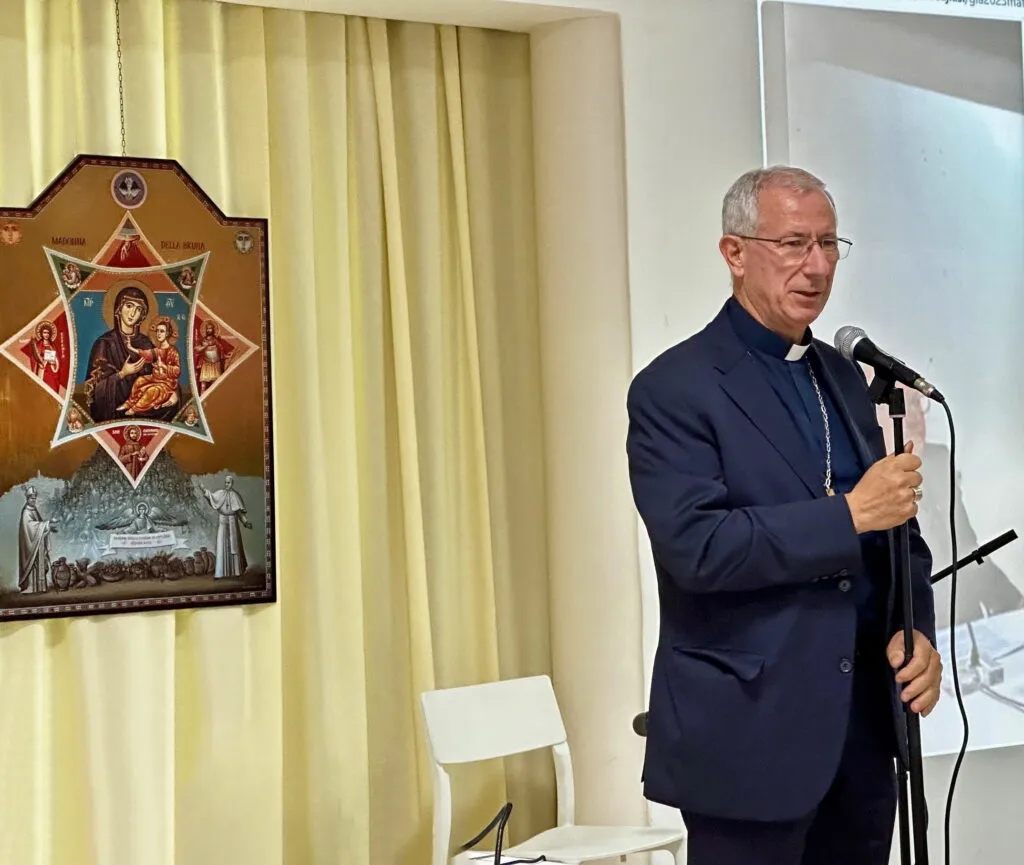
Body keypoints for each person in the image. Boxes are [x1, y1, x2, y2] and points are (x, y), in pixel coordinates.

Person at [626, 166, 941, 865]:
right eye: (794, 243)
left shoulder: (844, 376)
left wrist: (915, 626)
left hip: (861, 730)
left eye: (829, 244)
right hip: (749, 733)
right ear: (734, 252)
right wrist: (847, 515)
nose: (818, 266)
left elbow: (898, 531)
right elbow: (698, 548)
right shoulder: (674, 388)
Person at [876, 383, 1024, 629]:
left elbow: (967, 548)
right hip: (907, 632)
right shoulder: (860, 480)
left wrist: (1015, 604)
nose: (915, 416)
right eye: (900, 403)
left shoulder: (938, 459)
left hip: (963, 626)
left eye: (917, 403)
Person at [83, 285, 180, 423]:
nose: (133, 313)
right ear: (119, 309)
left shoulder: (146, 342)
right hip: (114, 409)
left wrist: (173, 393)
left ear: (142, 315)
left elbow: (165, 375)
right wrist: (122, 374)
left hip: (147, 404)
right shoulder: (104, 343)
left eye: (138, 309)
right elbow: (94, 389)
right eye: (129, 306)